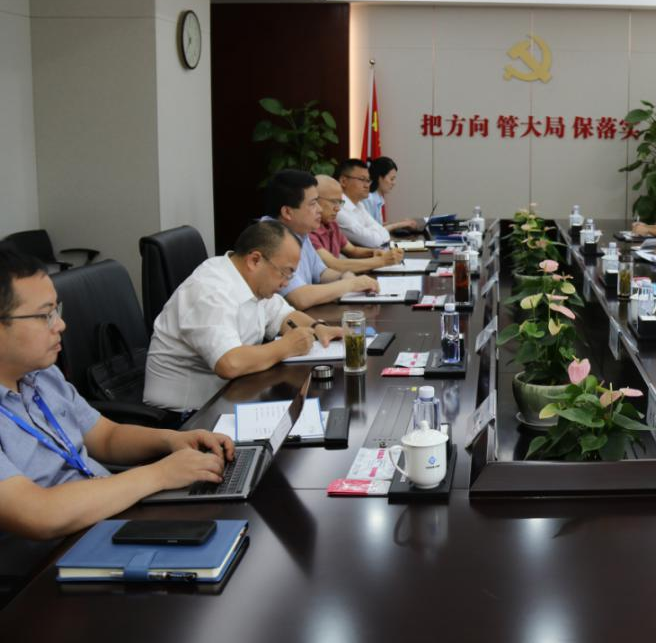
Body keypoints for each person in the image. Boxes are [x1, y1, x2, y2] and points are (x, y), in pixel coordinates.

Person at [0, 247, 235, 540]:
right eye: (45, 315)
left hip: (105, 515)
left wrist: (173, 440)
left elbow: (105, 437)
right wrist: (159, 474)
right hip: (51, 554)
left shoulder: (42, 375)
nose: (60, 325)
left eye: (56, 311)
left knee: (229, 530)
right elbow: (38, 514)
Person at [144, 220, 343, 412]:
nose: (286, 283)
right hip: (185, 414)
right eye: (285, 273)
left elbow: (284, 316)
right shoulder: (210, 290)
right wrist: (286, 347)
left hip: (231, 394)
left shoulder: (252, 280)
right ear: (254, 260)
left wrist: (317, 327)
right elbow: (229, 363)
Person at [264, 169, 379, 309]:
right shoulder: (271, 238)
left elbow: (321, 273)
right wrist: (350, 285)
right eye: (313, 203)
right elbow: (299, 298)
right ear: (287, 212)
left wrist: (344, 276)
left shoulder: (300, 232)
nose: (319, 209)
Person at [312, 175, 405, 273]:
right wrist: (382, 261)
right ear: (315, 200)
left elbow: (352, 251)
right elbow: (335, 265)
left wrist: (375, 253)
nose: (338, 208)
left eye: (339, 202)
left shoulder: (332, 224)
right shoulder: (309, 230)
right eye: (333, 202)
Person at [337, 159, 393, 248]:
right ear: (344, 181)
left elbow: (384, 233)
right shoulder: (338, 209)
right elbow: (374, 242)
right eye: (362, 179)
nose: (367, 185)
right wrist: (372, 231)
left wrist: (371, 231)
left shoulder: (359, 205)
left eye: (368, 180)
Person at [364, 157, 421, 234]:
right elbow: (372, 231)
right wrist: (401, 224)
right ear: (379, 178)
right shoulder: (368, 199)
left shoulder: (377, 198)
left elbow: (378, 225)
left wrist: (401, 223)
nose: (394, 183)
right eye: (391, 179)